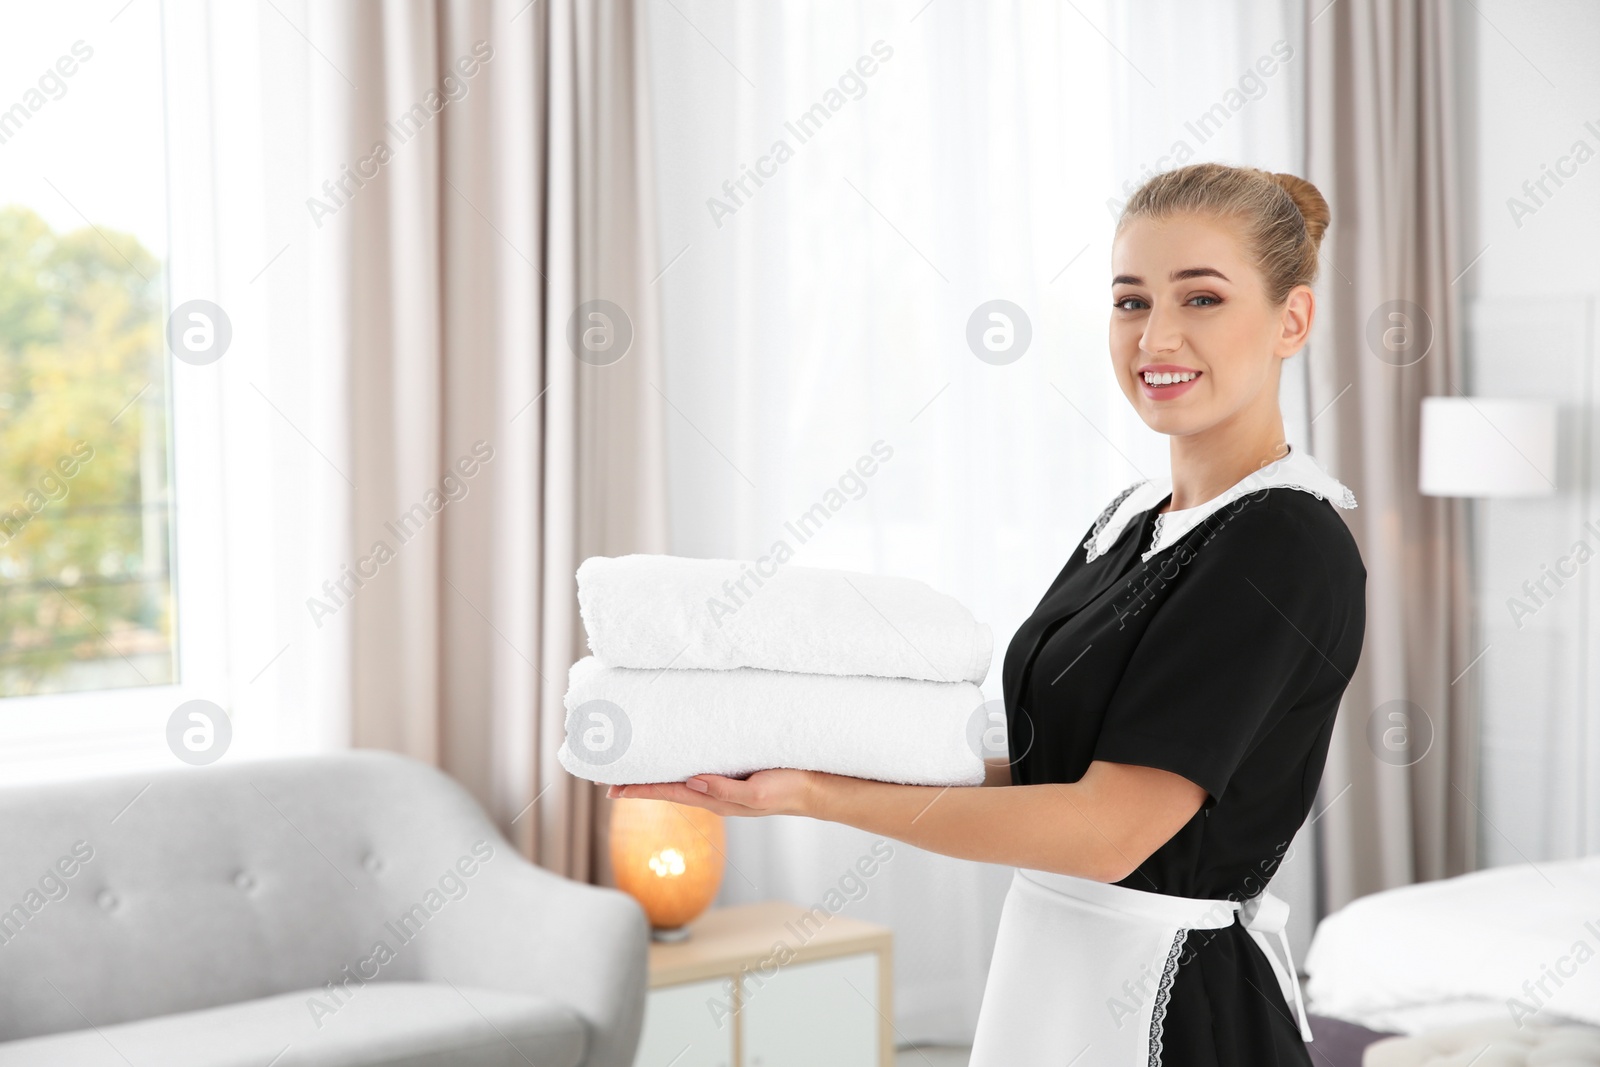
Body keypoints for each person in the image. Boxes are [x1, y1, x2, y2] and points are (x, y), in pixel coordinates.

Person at [607, 161, 1367, 1066]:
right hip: (1051, 969)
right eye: (1130, 302)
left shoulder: (1283, 540)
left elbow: (1105, 830)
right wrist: (794, 768)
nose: (1156, 336)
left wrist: (820, 798)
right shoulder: (1127, 522)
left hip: (1168, 1006)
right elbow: (1053, 775)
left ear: (1293, 320)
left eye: (1201, 298)